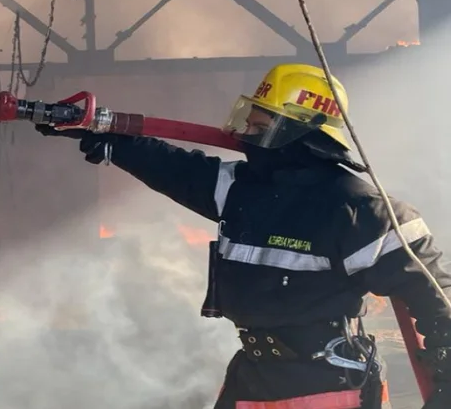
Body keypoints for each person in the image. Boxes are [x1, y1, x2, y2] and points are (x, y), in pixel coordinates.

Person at [34, 63, 451, 409]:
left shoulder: (360, 210)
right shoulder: (241, 188)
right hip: (252, 378)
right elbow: (174, 167)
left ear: (297, 129)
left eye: (259, 125)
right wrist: (101, 136)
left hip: (326, 385)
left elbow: (437, 296)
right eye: (248, 122)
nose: (245, 134)